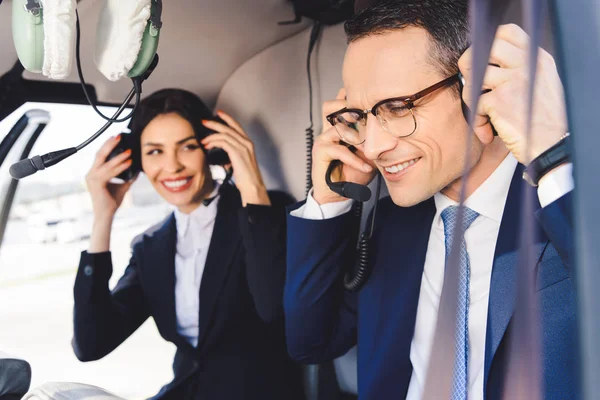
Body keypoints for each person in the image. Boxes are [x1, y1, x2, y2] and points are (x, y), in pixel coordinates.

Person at [284, 1, 576, 399]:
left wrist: (554, 158)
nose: (372, 145)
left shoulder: (565, 207)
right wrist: (328, 199)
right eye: (360, 116)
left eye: (398, 107)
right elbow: (310, 342)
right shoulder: (392, 224)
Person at [72, 89, 303, 400]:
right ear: (135, 161)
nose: (172, 167)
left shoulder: (265, 213)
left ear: (212, 149)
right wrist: (103, 218)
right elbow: (91, 344)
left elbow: (274, 309)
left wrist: (252, 186)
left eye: (187, 147)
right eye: (155, 152)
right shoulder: (150, 247)